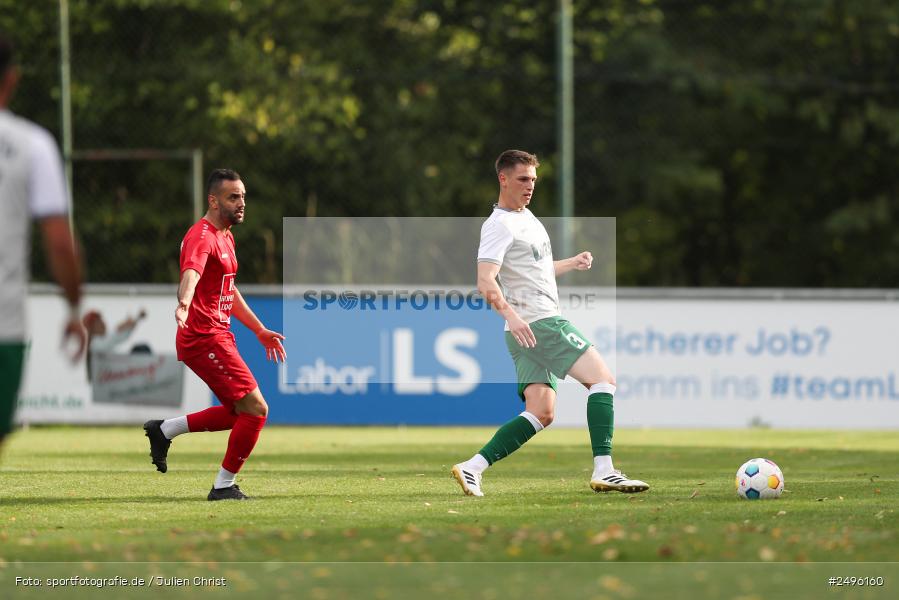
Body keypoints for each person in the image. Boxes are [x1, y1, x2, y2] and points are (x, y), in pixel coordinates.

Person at [451, 149, 649, 497]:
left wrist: (570, 263)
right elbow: (485, 281)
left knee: (541, 412)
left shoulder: (526, 217)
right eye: (523, 179)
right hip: (539, 323)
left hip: (526, 331)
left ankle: (473, 467)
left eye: (534, 180)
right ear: (503, 179)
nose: (530, 186)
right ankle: (605, 469)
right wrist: (512, 317)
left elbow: (533, 270)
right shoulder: (498, 225)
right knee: (603, 381)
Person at [143, 168, 286, 501]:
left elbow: (228, 290)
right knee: (256, 409)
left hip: (218, 334)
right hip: (203, 337)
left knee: (239, 412)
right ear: (213, 200)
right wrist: (183, 303)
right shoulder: (202, 236)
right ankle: (223, 486)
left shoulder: (226, 236)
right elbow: (191, 273)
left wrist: (259, 329)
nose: (241, 204)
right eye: (233, 197)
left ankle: (164, 430)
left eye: (243, 197)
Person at [0, 33, 85, 454]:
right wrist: (73, 310)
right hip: (4, 324)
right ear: (11, 78)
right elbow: (59, 243)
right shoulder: (32, 146)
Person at [83, 309, 146, 380]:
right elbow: (110, 341)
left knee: (140, 349)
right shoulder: (94, 344)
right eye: (99, 322)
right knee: (141, 351)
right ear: (92, 328)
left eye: (102, 320)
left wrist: (136, 319)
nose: (103, 323)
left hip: (114, 377)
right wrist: (120, 328)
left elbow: (122, 336)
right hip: (107, 382)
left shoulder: (102, 339)